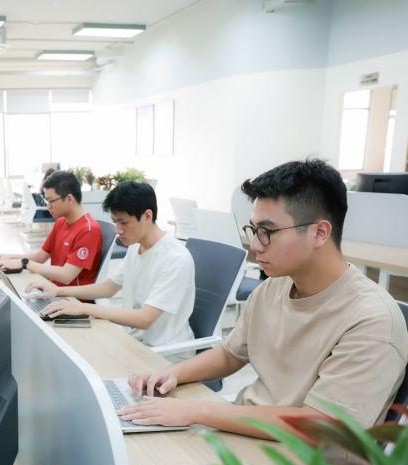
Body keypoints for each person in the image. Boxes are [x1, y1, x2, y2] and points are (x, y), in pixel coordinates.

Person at [120, 159, 408, 437]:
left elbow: (321, 426)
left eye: (267, 232)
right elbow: (232, 353)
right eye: (254, 230)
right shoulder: (274, 287)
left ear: (320, 232)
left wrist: (195, 411)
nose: (255, 245)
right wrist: (172, 373)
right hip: (246, 433)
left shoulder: (372, 320)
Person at [26, 182, 195, 352]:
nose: (117, 230)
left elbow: (145, 319)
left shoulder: (176, 259)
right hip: (134, 342)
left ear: (147, 216)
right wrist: (58, 291)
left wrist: (83, 307)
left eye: (123, 222)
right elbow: (108, 288)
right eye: (115, 222)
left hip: (166, 354)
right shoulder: (136, 247)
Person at [0, 170, 103, 286]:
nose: (48, 206)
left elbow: (66, 276)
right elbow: (40, 257)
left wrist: (24, 263)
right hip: (52, 289)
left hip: (73, 299)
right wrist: (8, 257)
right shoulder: (61, 222)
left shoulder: (88, 231)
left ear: (69, 199)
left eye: (51, 201)